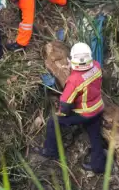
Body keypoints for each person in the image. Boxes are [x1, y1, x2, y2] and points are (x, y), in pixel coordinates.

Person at [40, 42, 105, 174]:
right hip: (98, 108)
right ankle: (98, 166)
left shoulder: (74, 80)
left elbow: (65, 104)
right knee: (95, 136)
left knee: (53, 122)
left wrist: (62, 114)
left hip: (84, 113)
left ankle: (51, 151)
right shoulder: (96, 66)